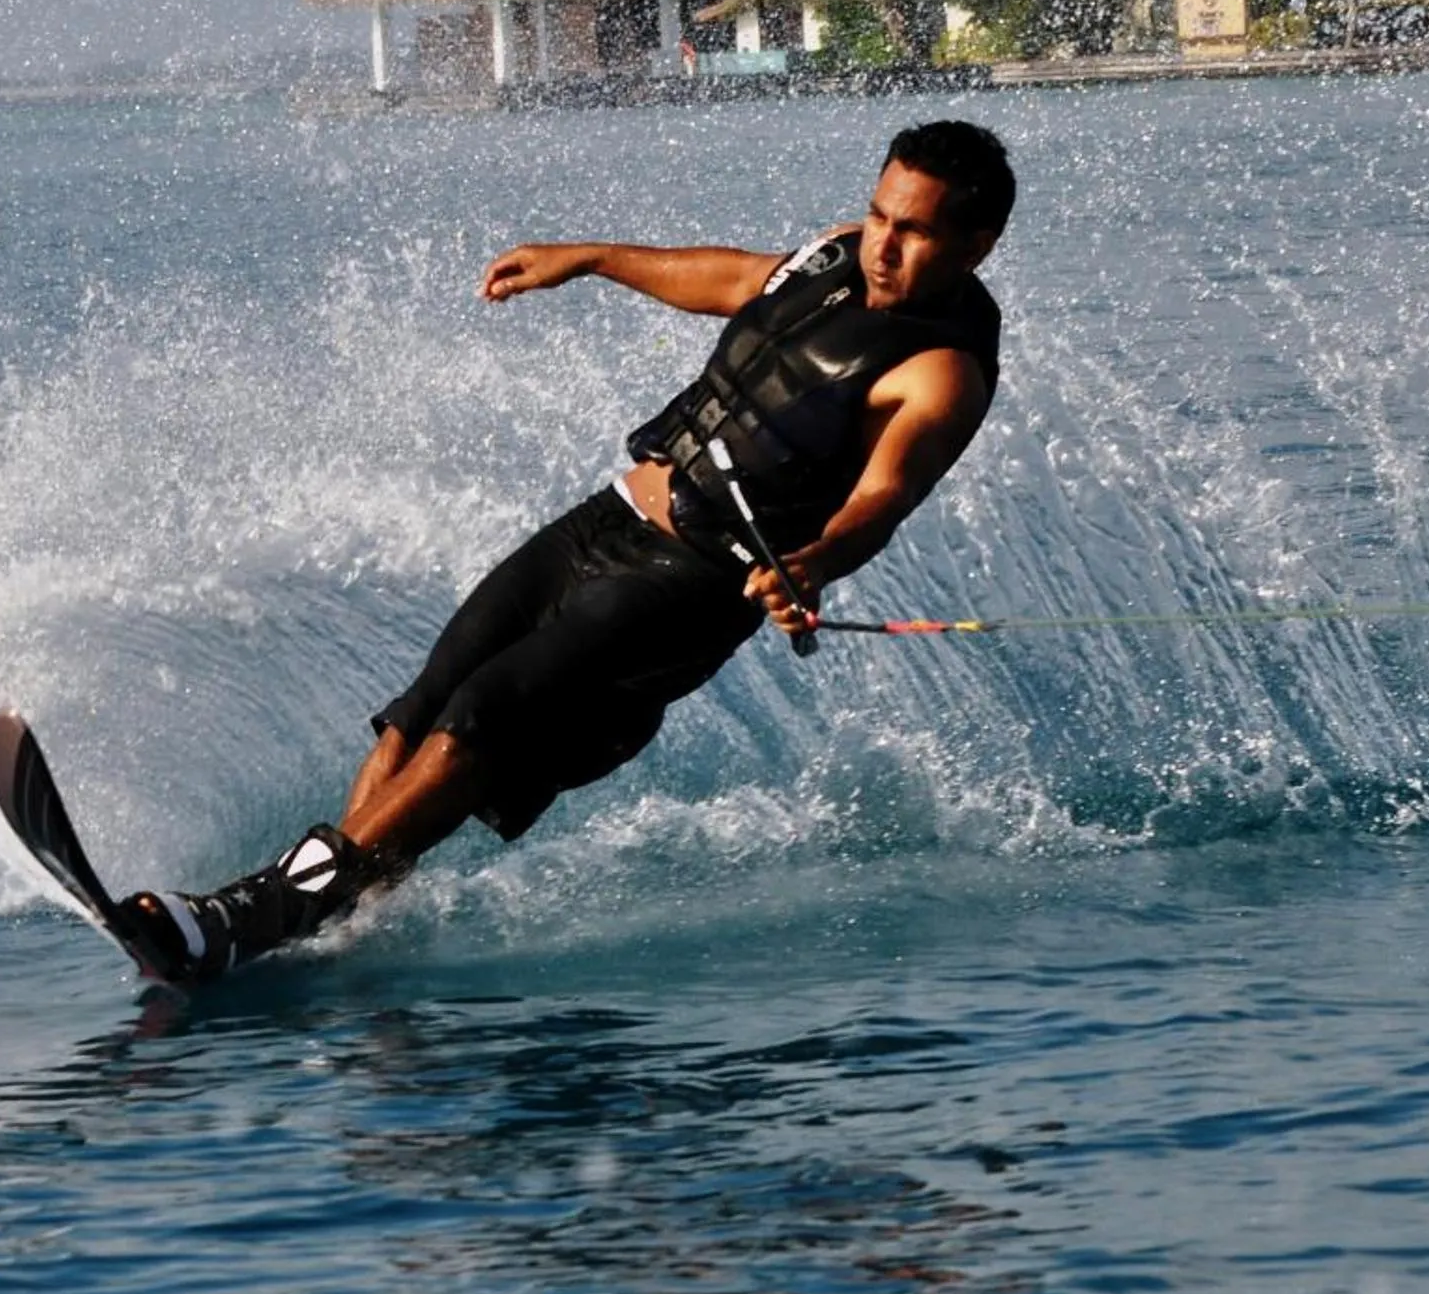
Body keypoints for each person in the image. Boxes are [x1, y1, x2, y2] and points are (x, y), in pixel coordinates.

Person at [111, 120, 1017, 983]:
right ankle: (330, 916)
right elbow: (739, 282)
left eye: (915, 234)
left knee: (483, 716)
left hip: (694, 584)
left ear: (976, 245)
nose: (882, 247)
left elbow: (881, 501)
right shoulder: (837, 253)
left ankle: (254, 914)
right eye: (879, 216)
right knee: (419, 710)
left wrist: (811, 564)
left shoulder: (941, 373)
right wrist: (589, 259)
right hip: (609, 519)